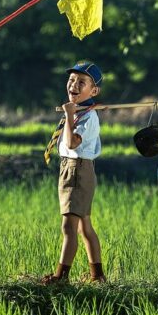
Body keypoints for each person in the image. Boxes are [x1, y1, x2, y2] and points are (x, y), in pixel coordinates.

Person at [41, 61, 106, 284]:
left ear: (94, 91)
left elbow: (71, 142)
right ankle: (97, 275)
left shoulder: (87, 117)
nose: (74, 85)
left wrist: (69, 115)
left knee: (69, 226)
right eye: (71, 80)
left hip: (78, 170)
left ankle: (61, 276)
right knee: (84, 226)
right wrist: (71, 113)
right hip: (71, 168)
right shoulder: (80, 112)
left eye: (82, 82)